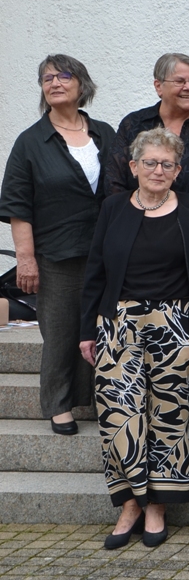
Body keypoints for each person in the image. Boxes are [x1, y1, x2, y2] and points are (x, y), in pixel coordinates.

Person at [78, 128, 189, 550]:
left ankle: (157, 505)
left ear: (177, 170)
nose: (158, 170)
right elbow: (95, 270)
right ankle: (130, 503)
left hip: (174, 323)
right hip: (118, 322)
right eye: (150, 163)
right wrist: (87, 330)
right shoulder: (113, 207)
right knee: (117, 414)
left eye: (167, 164)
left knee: (168, 415)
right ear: (134, 166)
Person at [104, 52, 189, 441]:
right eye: (181, 81)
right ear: (158, 85)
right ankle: (143, 397)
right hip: (141, 235)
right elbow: (116, 179)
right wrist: (143, 217)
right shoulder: (134, 124)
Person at [0, 55, 115, 436]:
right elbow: (17, 205)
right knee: (61, 331)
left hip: (105, 251)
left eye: (63, 75)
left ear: (82, 84)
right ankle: (59, 404)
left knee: (102, 326)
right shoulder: (31, 142)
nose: (54, 82)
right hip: (55, 253)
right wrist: (26, 260)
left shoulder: (105, 133)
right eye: (47, 78)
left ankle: (97, 396)